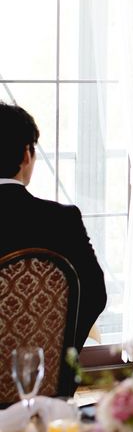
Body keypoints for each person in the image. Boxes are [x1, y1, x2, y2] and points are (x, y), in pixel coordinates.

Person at [0, 102, 107, 360]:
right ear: (26, 155)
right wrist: (58, 355)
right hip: (47, 371)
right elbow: (95, 294)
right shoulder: (63, 220)